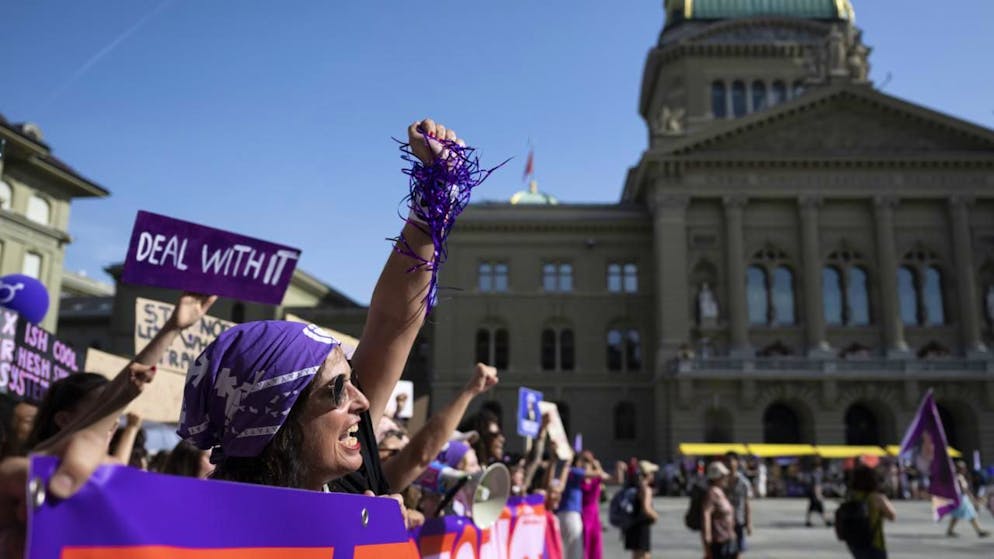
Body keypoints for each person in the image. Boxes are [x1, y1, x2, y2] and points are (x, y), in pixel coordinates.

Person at [177, 120, 471, 502]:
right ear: (273, 418)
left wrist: (437, 191)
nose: (363, 402)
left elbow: (392, 324)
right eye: (337, 389)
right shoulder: (212, 531)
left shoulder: (352, 481)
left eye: (352, 382)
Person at [845, 464, 895, 559]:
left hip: (855, 544)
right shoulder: (876, 498)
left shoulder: (851, 497)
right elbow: (892, 515)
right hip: (875, 543)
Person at [623, 460, 659, 559]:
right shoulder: (646, 489)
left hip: (632, 524)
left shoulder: (635, 485)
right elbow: (646, 508)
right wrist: (655, 516)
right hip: (641, 525)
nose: (653, 475)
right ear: (648, 474)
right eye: (652, 473)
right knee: (644, 555)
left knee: (636, 554)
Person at [578, 450, 611, 559]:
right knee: (583, 546)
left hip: (594, 515)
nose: (587, 463)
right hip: (582, 513)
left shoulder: (597, 476)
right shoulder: (578, 474)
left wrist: (597, 466)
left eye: (589, 460)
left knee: (595, 545)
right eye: (585, 460)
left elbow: (614, 479)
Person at [946, 460, 990, 538]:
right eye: (963, 468)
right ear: (959, 469)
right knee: (971, 514)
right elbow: (965, 490)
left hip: (961, 499)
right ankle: (979, 531)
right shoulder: (958, 478)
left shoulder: (957, 477)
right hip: (962, 499)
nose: (965, 469)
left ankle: (950, 530)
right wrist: (973, 499)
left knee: (957, 515)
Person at [702, 461, 736, 559]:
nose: (726, 478)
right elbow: (706, 513)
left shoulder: (720, 492)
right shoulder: (712, 493)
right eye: (724, 476)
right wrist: (707, 536)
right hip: (718, 540)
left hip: (727, 538)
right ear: (717, 477)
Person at [723, 452, 752, 556]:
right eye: (726, 461)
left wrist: (748, 523)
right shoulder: (721, 480)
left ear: (737, 462)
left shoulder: (744, 482)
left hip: (738, 520)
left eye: (731, 460)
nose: (729, 463)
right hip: (723, 522)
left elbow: (747, 504)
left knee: (737, 551)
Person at [806, 458, 832, 527]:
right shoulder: (817, 474)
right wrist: (818, 495)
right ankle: (826, 521)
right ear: (818, 467)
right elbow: (816, 485)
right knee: (821, 508)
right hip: (816, 493)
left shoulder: (812, 473)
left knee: (811, 508)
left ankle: (808, 521)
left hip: (812, 494)